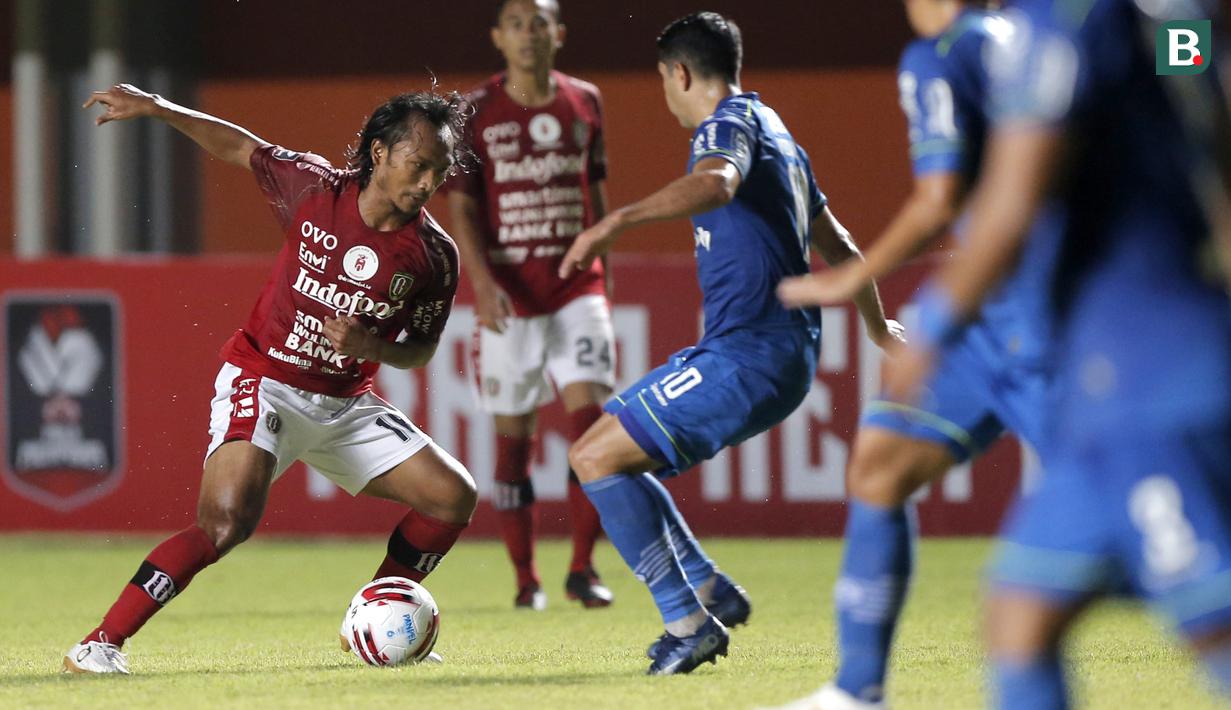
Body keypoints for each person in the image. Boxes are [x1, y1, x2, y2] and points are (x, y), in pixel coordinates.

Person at [880, 0, 1231, 707]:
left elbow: (1011, 203)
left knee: (1213, 627)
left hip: (1144, 376)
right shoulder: (1173, 23)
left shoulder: (1058, 23)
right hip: (1118, 373)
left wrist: (935, 322)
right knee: (1019, 618)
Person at [64, 83, 477, 674]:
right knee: (226, 522)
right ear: (380, 152)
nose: (427, 183)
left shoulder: (434, 255)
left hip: (343, 401)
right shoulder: (314, 188)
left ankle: (375, 612)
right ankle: (98, 644)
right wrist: (159, 108)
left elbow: (423, 350)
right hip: (265, 380)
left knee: (452, 497)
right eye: (418, 165)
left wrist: (373, 345)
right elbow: (240, 147)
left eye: (439, 171)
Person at [560, 12, 903, 675]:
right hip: (776, 354)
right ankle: (708, 587)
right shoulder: (778, 132)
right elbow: (841, 248)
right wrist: (876, 327)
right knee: (616, 456)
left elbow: (717, 182)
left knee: (592, 457)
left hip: (751, 352)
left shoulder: (725, 127)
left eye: (663, 79)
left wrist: (616, 221)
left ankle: (688, 624)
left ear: (679, 73)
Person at [773, 2, 1058, 706]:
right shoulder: (1060, 28)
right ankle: (855, 689)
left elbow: (937, 203)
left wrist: (849, 278)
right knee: (880, 463)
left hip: (1064, 318)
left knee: (1154, 518)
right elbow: (1190, 63)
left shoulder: (943, 55)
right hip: (996, 310)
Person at [439, 0, 614, 611]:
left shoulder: (585, 99)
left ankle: (583, 568)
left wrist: (604, 275)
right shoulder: (475, 109)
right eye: (516, 22)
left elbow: (594, 190)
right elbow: (461, 205)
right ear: (498, 37)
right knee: (515, 443)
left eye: (539, 22)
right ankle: (525, 580)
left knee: (592, 430)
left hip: (576, 288)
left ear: (558, 34)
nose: (528, 33)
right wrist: (482, 285)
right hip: (510, 298)